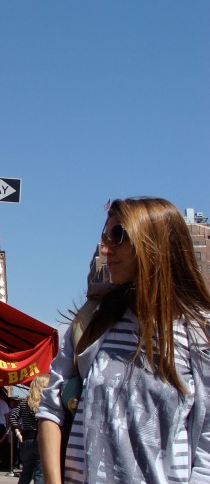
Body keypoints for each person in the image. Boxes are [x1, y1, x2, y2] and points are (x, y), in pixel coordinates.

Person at [37, 197, 210, 484]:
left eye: (117, 235)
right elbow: (50, 410)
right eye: (104, 237)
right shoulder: (93, 320)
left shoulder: (199, 333)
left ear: (155, 243)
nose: (106, 249)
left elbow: (207, 442)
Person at [9, 374, 49, 484]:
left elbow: (13, 417)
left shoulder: (24, 402)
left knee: (26, 473)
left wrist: (18, 432)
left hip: (26, 439)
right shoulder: (43, 403)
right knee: (39, 474)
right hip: (39, 439)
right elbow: (39, 420)